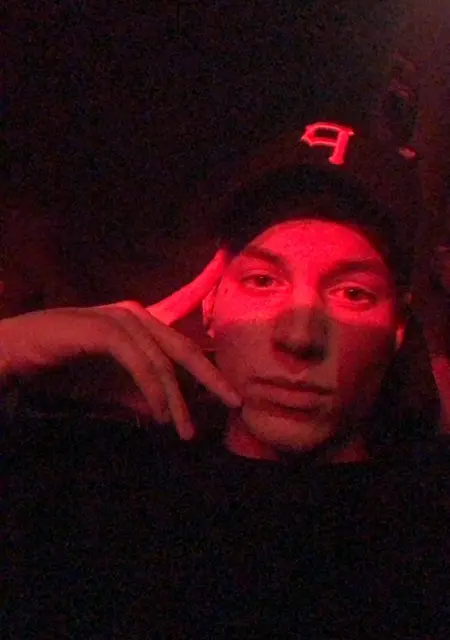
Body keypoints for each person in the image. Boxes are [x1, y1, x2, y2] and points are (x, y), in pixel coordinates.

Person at [3, 119, 449, 638]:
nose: (300, 336)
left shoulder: (430, 524)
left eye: (353, 293)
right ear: (211, 302)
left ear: (397, 329)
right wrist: (10, 347)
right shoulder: (93, 484)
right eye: (263, 280)